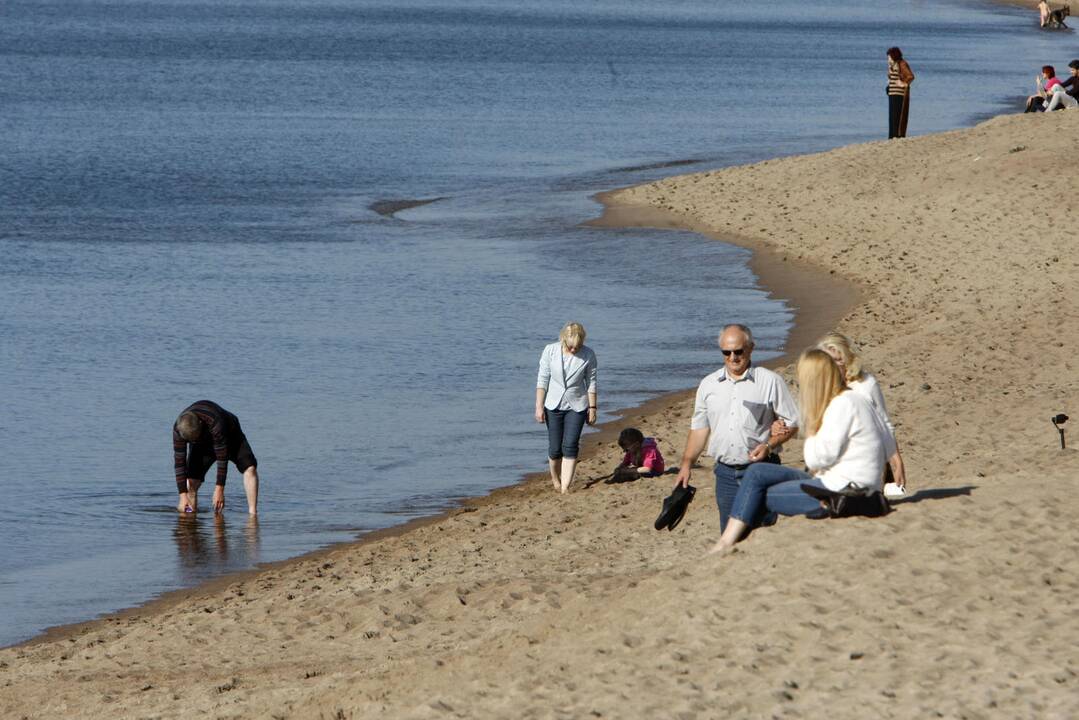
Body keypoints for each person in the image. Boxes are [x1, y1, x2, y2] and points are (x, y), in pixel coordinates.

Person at [708, 349, 896, 553]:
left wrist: (812, 425)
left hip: (845, 493)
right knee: (757, 472)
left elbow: (816, 459)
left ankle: (740, 546)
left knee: (760, 495)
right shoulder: (855, 398)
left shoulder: (841, 405)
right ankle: (727, 541)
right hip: (840, 481)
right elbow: (886, 442)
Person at [675, 324, 800, 532]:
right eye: (726, 352)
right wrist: (686, 464)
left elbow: (792, 423)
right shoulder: (708, 385)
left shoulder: (770, 381)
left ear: (751, 348)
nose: (733, 357)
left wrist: (769, 445)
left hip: (762, 470)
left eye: (738, 351)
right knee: (729, 536)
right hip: (725, 474)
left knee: (760, 534)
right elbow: (699, 428)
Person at [816, 333, 908, 493]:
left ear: (847, 358)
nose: (835, 366)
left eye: (839, 360)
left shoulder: (866, 384)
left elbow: (884, 423)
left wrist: (896, 461)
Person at [535, 322, 598, 494]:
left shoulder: (588, 355)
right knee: (555, 448)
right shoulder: (550, 350)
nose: (573, 350)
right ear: (563, 340)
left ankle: (565, 488)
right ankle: (556, 479)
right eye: (570, 346)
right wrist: (539, 406)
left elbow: (591, 383)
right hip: (553, 404)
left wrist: (592, 408)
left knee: (570, 445)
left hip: (577, 405)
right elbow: (542, 380)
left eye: (577, 347)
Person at [173, 400, 259, 515]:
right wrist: (182, 495)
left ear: (200, 422)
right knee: (192, 481)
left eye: (195, 438)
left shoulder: (215, 421)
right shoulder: (179, 429)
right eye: (191, 440)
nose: (194, 441)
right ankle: (190, 517)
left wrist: (219, 489)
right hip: (202, 445)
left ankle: (253, 514)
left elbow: (222, 458)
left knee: (250, 468)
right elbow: (179, 463)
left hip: (230, 435)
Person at [886, 47, 915, 139]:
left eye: (889, 57)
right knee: (892, 117)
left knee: (897, 116)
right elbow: (892, 78)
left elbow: (910, 76)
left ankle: (897, 135)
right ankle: (892, 136)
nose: (888, 59)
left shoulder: (902, 64)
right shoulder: (892, 65)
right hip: (892, 94)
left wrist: (904, 83)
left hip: (899, 94)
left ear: (894, 56)